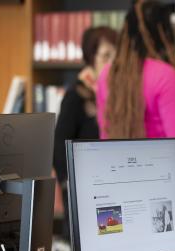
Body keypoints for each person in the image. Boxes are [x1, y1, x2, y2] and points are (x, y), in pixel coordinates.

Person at [96, 0, 175, 183]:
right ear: (164, 33)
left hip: (119, 182)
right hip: (159, 184)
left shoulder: (107, 75)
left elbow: (105, 137)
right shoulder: (165, 75)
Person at [53, 26, 118, 239]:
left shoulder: (115, 96)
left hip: (110, 190)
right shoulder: (76, 96)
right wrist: (71, 188)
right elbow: (59, 150)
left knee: (112, 241)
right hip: (83, 194)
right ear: (91, 58)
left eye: (116, 56)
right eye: (106, 56)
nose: (112, 63)